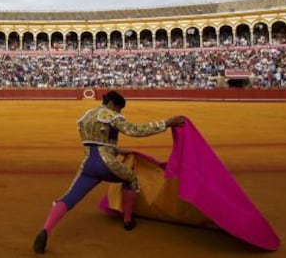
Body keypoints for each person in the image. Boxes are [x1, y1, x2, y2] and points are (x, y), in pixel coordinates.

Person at [33, 90, 185, 254]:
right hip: (107, 164)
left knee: (69, 197)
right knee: (131, 179)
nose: (118, 112)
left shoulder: (86, 116)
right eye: (119, 108)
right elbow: (135, 130)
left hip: (88, 165)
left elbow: (96, 142)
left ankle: (46, 229)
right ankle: (127, 220)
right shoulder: (112, 115)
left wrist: (118, 150)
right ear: (113, 104)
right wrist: (166, 123)